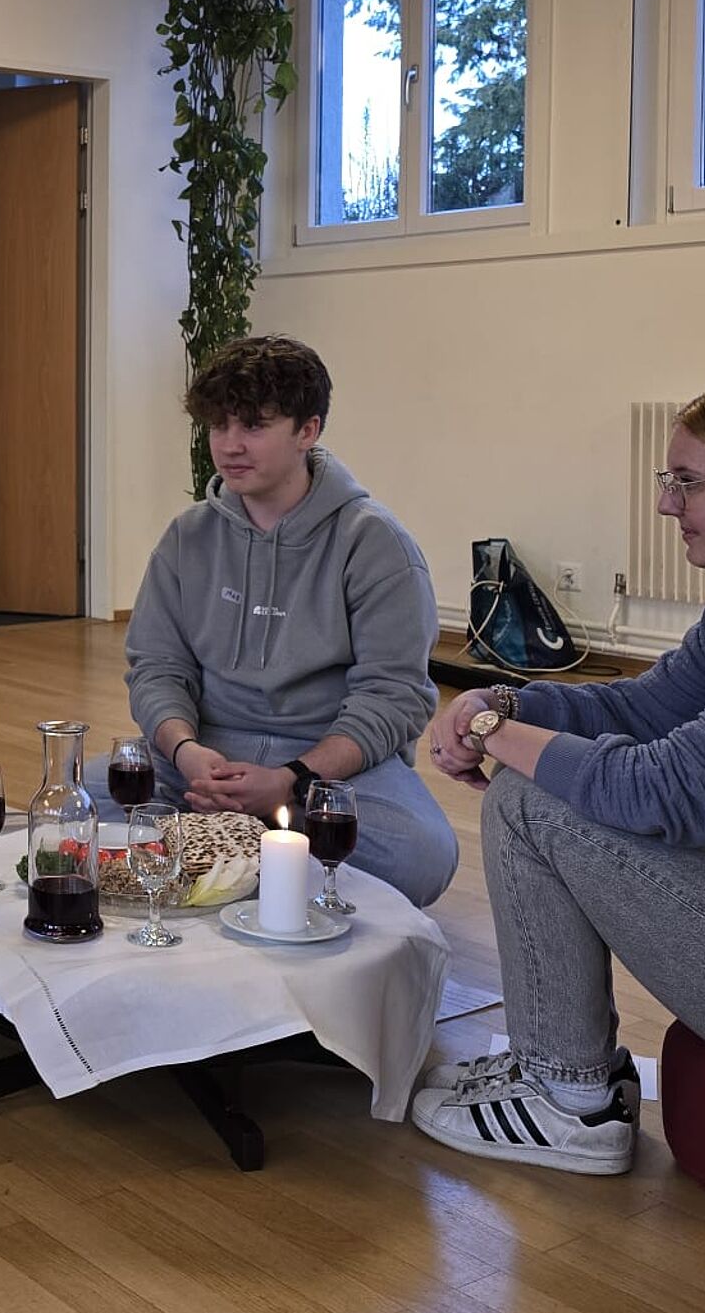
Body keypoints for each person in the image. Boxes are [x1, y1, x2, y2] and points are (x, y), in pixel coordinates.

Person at [415, 376, 705, 1177]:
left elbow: (663, 790)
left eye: (688, 482)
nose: (667, 504)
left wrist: (495, 734)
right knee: (543, 780)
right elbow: (636, 710)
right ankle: (565, 1074)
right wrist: (505, 699)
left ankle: (567, 1098)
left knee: (533, 798)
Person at [125, 333, 457, 907]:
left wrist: (293, 779)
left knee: (420, 854)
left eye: (254, 426)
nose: (230, 445)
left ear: (308, 430)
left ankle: (226, 856)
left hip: (326, 767)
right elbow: (156, 667)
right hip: (204, 758)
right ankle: (260, 858)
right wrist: (185, 751)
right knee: (82, 808)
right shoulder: (187, 536)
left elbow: (393, 696)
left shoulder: (375, 543)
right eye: (219, 425)